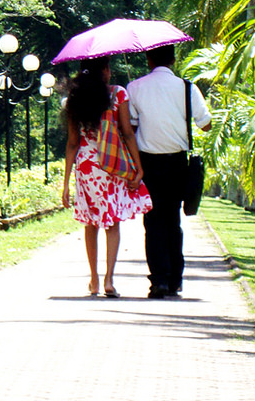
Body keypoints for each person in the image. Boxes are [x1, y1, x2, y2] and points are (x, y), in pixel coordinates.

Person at [62, 56, 151, 297]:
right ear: (104, 71)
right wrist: (138, 168)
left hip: (86, 165)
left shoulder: (74, 99)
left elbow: (72, 143)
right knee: (112, 223)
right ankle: (109, 280)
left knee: (90, 223)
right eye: (108, 68)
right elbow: (128, 134)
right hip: (110, 164)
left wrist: (66, 184)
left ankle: (93, 280)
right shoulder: (118, 95)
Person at [127, 44, 212, 299]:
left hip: (147, 164)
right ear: (174, 60)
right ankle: (175, 279)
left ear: (148, 59)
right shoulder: (187, 88)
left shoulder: (135, 87)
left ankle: (159, 282)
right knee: (173, 221)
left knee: (153, 222)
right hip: (177, 163)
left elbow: (130, 126)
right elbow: (206, 125)